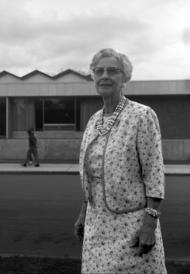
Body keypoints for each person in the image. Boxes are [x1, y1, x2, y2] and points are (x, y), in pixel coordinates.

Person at [74, 48, 167, 273]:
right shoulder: (93, 121)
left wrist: (150, 223)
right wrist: (84, 212)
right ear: (93, 76)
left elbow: (154, 172)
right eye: (99, 70)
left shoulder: (141, 116)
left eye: (113, 71)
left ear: (125, 77)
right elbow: (92, 176)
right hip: (97, 228)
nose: (105, 75)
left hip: (132, 226)